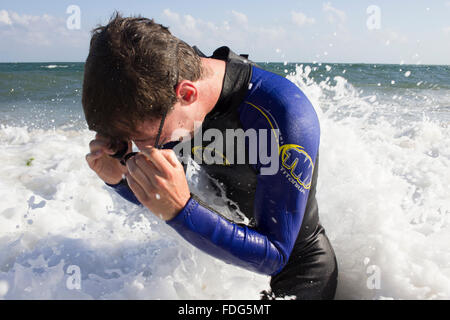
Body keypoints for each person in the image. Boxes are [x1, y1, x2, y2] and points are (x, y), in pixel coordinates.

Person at [83, 13, 338, 300]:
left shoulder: (281, 114)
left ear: (187, 94)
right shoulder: (164, 84)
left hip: (298, 272)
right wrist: (120, 179)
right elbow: (165, 201)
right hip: (227, 266)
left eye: (146, 139)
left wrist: (181, 209)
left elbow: (275, 254)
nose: (145, 150)